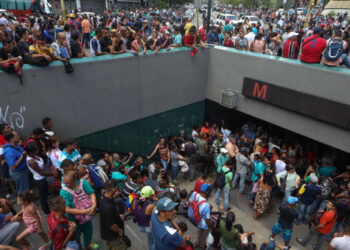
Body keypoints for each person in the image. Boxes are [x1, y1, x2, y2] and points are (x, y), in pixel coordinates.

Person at [60, 171, 98, 250]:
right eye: (64, 182)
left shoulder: (83, 183)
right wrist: (84, 211)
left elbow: (91, 193)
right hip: (73, 219)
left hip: (87, 216)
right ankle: (79, 246)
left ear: (74, 180)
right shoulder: (64, 192)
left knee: (89, 231)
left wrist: (94, 205)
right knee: (76, 234)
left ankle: (87, 243)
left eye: (68, 183)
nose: (65, 185)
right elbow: (67, 209)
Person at [26, 142, 53, 216]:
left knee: (44, 194)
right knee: (42, 196)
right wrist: (52, 174)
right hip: (40, 180)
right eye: (36, 150)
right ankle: (46, 211)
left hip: (43, 177)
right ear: (32, 151)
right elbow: (41, 173)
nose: (38, 150)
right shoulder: (32, 162)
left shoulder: (33, 156)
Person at [100, 179, 127, 250]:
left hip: (106, 232)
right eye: (117, 188)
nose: (118, 189)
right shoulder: (109, 207)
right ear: (113, 189)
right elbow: (111, 225)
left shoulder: (103, 197)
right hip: (113, 235)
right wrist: (119, 231)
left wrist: (114, 196)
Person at [133, 186, 156, 250]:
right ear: (149, 196)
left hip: (141, 226)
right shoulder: (150, 206)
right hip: (148, 228)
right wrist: (156, 200)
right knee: (153, 240)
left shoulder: (135, 202)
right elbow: (158, 208)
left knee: (149, 239)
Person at [189, 184, 211, 249]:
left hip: (195, 218)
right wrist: (210, 226)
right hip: (203, 224)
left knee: (198, 233)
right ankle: (201, 246)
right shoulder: (206, 205)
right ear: (207, 192)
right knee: (203, 236)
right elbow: (207, 220)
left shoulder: (194, 194)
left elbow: (190, 202)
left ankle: (194, 243)